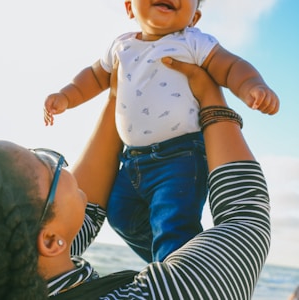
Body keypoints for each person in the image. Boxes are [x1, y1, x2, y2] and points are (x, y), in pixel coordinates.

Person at [0, 61, 271, 299]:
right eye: (48, 165)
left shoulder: (11, 275)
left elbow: (79, 212)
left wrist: (122, 93)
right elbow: (245, 217)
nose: (63, 163)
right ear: (50, 241)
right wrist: (209, 95)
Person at [43, 0, 278, 263]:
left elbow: (232, 66)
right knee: (121, 215)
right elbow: (94, 77)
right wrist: (66, 96)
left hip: (181, 157)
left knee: (173, 223)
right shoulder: (121, 46)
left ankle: (176, 264)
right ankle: (169, 263)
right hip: (132, 160)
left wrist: (252, 86)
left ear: (194, 18)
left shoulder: (192, 42)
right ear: (130, 7)